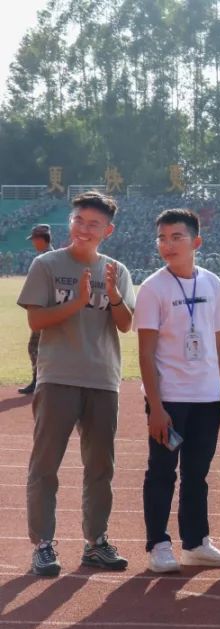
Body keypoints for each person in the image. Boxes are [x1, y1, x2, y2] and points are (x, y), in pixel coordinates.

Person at [18, 192, 135, 576]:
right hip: (58, 377)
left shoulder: (117, 270)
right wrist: (78, 300)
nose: (84, 229)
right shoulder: (47, 264)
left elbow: (125, 324)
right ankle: (43, 545)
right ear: (71, 222)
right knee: (45, 465)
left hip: (103, 379)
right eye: (79, 220)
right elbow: (36, 320)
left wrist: (112, 295)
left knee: (100, 467)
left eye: (93, 224)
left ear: (107, 231)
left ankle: (96, 542)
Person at [134, 209, 220, 572]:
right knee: (162, 472)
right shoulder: (152, 288)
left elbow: (219, 343)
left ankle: (195, 543)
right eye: (162, 238)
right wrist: (156, 407)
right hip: (170, 399)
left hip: (207, 398)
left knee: (197, 474)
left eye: (176, 237)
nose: (168, 244)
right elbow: (145, 352)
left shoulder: (212, 283)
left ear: (196, 242)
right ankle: (159, 545)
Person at [19, 224, 53, 395]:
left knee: (34, 346)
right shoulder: (55, 256)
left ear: (41, 239)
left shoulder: (43, 259)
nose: (33, 243)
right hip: (53, 310)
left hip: (43, 311)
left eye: (34, 239)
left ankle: (39, 381)